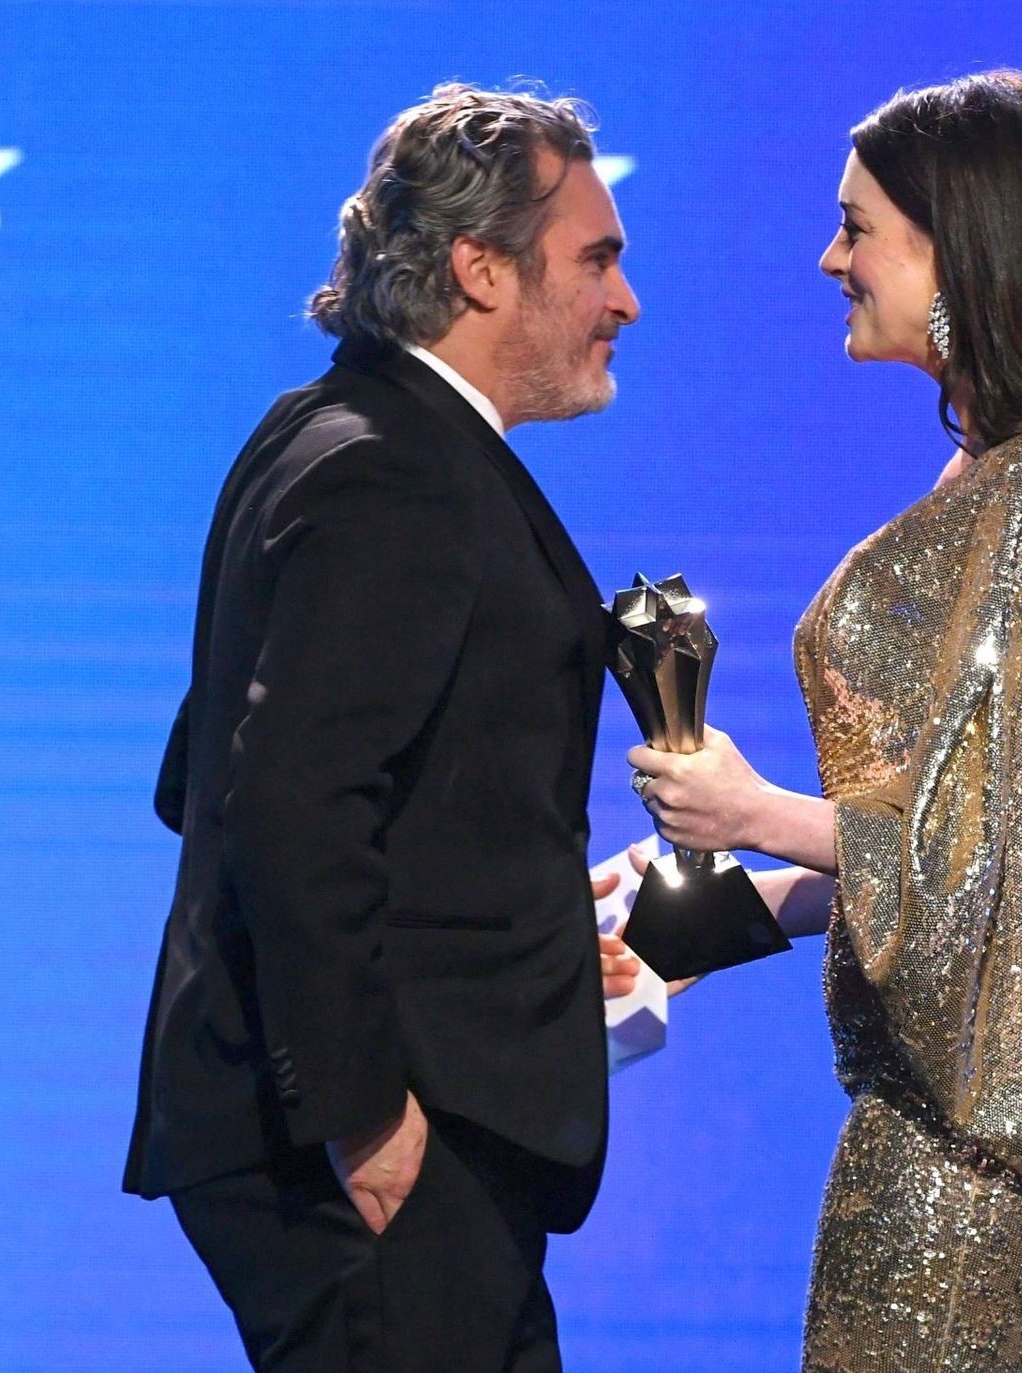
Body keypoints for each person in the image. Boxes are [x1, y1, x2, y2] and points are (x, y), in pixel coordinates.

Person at [620, 71, 1022, 1371]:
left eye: (858, 228)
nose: (829, 258)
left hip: (971, 1174)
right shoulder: (1010, 478)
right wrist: (704, 912)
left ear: (964, 250)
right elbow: (954, 842)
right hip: (934, 1140)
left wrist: (755, 810)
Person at [123, 83, 641, 1372]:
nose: (624, 301)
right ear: (481, 268)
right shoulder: (393, 469)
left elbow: (213, 773)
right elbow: (282, 801)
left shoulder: (333, 432)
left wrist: (511, 911)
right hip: (370, 1143)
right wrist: (363, 1116)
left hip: (387, 1127)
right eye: (597, 259)